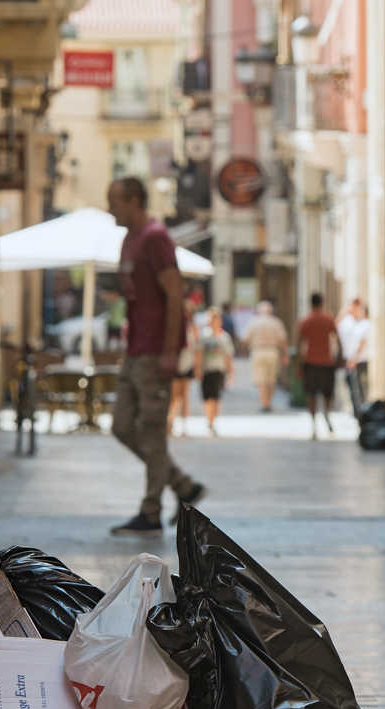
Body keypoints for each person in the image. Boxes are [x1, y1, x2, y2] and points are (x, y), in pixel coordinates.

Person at [105, 177, 206, 535]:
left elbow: (175, 296)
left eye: (114, 202)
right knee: (121, 426)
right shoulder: (129, 240)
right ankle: (182, 486)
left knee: (152, 432)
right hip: (135, 350)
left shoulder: (155, 237)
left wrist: (170, 351)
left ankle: (151, 512)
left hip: (155, 352)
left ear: (134, 201)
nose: (110, 209)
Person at [297, 291, 340, 440]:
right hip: (327, 362)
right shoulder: (329, 319)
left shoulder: (306, 321)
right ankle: (327, 415)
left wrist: (299, 364)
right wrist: (339, 358)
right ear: (322, 302)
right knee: (327, 393)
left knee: (312, 395)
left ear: (311, 303)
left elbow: (300, 343)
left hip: (311, 362)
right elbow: (337, 338)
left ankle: (314, 425)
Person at [197, 307, 235, 436]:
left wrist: (230, 372)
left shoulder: (224, 337)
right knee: (207, 397)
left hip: (219, 370)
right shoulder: (204, 335)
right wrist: (198, 368)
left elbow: (228, 356)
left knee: (216, 397)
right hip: (207, 369)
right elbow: (199, 353)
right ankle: (209, 420)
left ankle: (213, 420)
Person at [245, 300, 289, 412]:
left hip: (258, 351)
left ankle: (264, 403)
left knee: (262, 379)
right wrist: (285, 354)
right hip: (272, 351)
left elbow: (246, 338)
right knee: (271, 378)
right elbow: (283, 339)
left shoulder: (254, 322)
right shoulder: (276, 322)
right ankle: (268, 402)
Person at [337, 296, 372, 413]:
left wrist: (354, 359)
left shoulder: (365, 324)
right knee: (352, 388)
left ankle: (362, 412)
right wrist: (345, 312)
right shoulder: (349, 322)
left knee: (360, 388)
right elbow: (336, 326)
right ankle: (358, 412)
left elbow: (362, 343)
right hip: (349, 360)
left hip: (360, 361)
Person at [168, 313, 200, 436]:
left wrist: (197, 366)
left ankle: (184, 425)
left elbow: (197, 348)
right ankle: (171, 421)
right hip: (176, 365)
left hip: (187, 364)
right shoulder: (174, 328)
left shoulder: (192, 328)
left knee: (184, 396)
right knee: (175, 396)